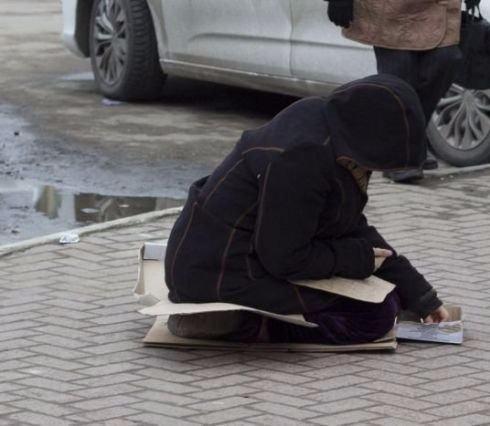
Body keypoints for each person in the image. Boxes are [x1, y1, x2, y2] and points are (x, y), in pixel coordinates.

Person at [164, 74, 449, 345]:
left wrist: (420, 295)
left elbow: (346, 225)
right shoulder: (303, 158)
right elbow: (284, 259)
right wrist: (358, 259)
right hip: (219, 272)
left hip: (246, 255)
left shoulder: (332, 130)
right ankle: (238, 323)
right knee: (376, 315)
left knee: (392, 295)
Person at [325, 0, 463, 183]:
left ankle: (411, 143)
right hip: (388, 10)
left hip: (435, 7)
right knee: (399, 76)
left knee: (446, 59)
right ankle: (398, 158)